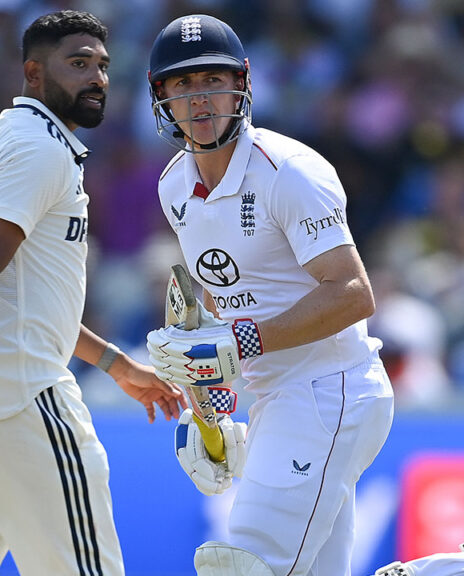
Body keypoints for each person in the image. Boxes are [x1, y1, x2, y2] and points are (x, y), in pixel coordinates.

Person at [0, 10, 186, 575]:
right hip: (16, 396)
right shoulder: (38, 149)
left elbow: (26, 297)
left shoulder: (14, 134)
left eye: (103, 66)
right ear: (34, 73)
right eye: (78, 64)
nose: (97, 79)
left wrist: (114, 364)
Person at [143, 14, 395, 576]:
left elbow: (353, 293)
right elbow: (223, 303)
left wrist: (241, 344)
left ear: (243, 83)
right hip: (275, 401)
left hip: (329, 392)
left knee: (245, 567)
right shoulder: (173, 185)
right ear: (161, 97)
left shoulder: (290, 172)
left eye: (213, 79)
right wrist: (207, 412)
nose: (199, 98)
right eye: (183, 84)